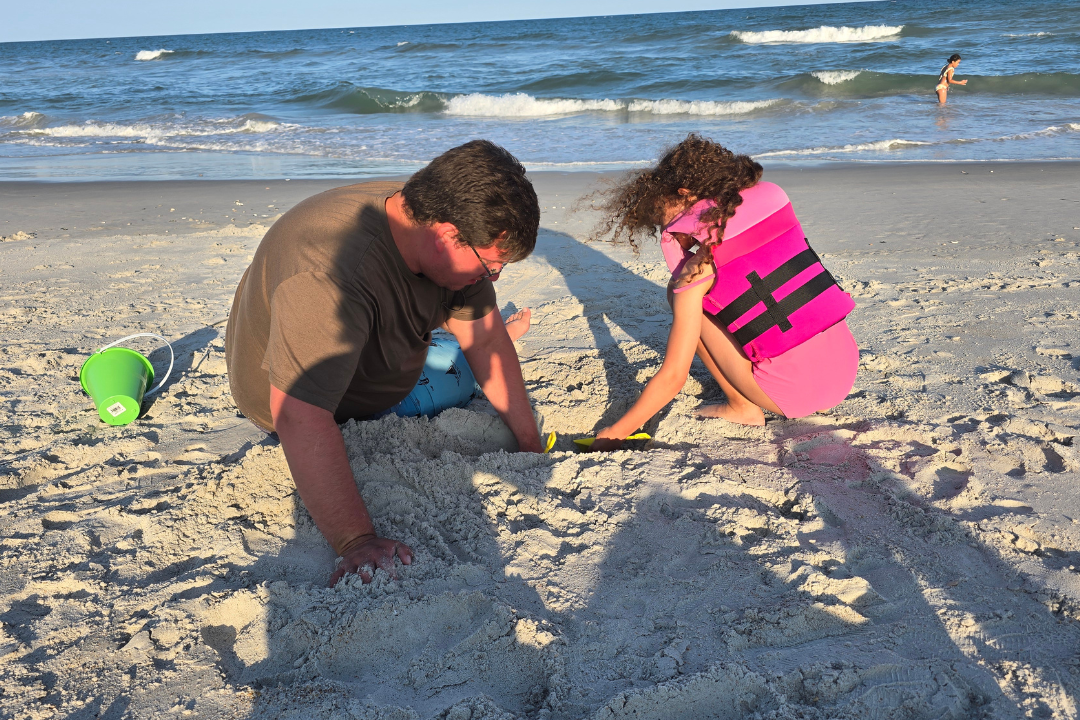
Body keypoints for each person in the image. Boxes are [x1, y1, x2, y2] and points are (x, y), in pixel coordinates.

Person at [224, 140, 543, 584]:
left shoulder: (432, 204)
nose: (493, 278)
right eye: (490, 267)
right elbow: (299, 414)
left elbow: (485, 338)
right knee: (451, 379)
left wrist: (530, 441)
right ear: (446, 234)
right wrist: (356, 541)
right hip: (293, 395)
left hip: (376, 346)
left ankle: (431, 343)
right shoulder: (327, 275)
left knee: (462, 348)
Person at [586, 134, 859, 452]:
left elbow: (674, 376)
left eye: (668, 218)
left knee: (682, 298)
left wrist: (616, 432)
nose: (669, 227)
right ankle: (811, 392)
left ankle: (742, 407)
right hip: (844, 369)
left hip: (791, 394)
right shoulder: (774, 203)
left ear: (686, 194)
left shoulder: (700, 268)